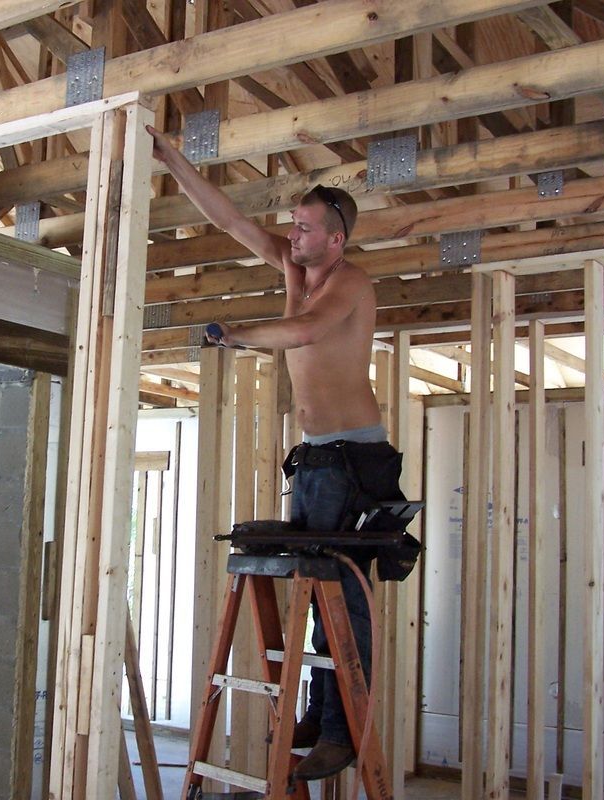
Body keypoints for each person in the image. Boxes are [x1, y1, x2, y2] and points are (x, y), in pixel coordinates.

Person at [147, 124, 404, 780]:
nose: (293, 236)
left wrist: (235, 333)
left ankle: (345, 727)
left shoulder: (351, 284)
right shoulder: (295, 266)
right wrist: (172, 160)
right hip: (316, 455)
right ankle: (321, 707)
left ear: (336, 239)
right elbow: (230, 219)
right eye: (292, 226)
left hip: (353, 457)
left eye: (305, 228)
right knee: (315, 596)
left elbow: (307, 329)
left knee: (341, 592)